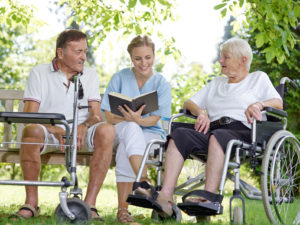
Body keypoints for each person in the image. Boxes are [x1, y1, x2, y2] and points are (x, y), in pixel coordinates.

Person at [136, 37, 283, 217]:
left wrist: (259, 105)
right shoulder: (217, 83)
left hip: (243, 131)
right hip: (212, 131)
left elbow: (278, 103)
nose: (220, 61)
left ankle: (209, 198)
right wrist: (201, 112)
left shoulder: (258, 78)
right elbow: (189, 102)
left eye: (226, 57)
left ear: (243, 60)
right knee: (179, 134)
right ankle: (165, 197)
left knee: (219, 136)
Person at [16, 29, 115, 220]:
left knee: (108, 130)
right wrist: (58, 129)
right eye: (78, 52)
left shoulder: (91, 75)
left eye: (85, 51)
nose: (84, 57)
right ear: (61, 53)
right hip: (50, 133)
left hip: (81, 135)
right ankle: (31, 204)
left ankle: (89, 205)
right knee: (31, 130)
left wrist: (82, 127)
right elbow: (29, 116)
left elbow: (96, 115)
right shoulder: (39, 72)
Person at [101, 35, 172, 223]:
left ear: (154, 56)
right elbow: (108, 115)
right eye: (138, 58)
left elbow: (157, 118)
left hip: (151, 134)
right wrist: (131, 119)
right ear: (131, 58)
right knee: (130, 128)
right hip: (121, 128)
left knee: (127, 145)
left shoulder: (161, 84)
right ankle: (144, 181)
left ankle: (123, 211)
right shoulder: (120, 77)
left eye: (148, 57)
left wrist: (138, 121)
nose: (143, 63)